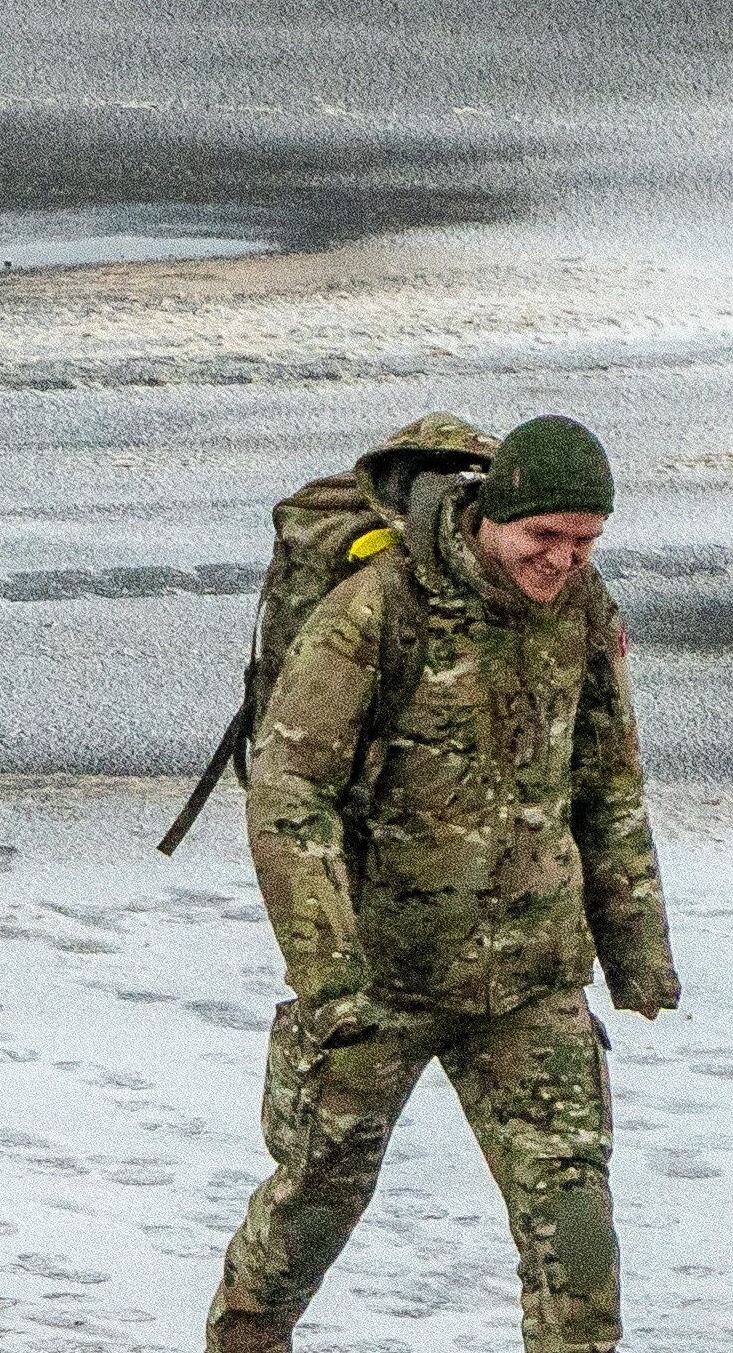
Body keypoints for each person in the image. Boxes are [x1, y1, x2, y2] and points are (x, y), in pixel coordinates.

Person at [220, 411, 673, 1353]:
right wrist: (330, 975)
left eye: (585, 540)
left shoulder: (584, 610)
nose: (562, 560)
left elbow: (608, 781)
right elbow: (289, 796)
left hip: (532, 979)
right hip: (377, 978)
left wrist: (636, 950)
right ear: (491, 516)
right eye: (542, 536)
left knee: (575, 1233)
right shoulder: (376, 610)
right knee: (311, 1208)